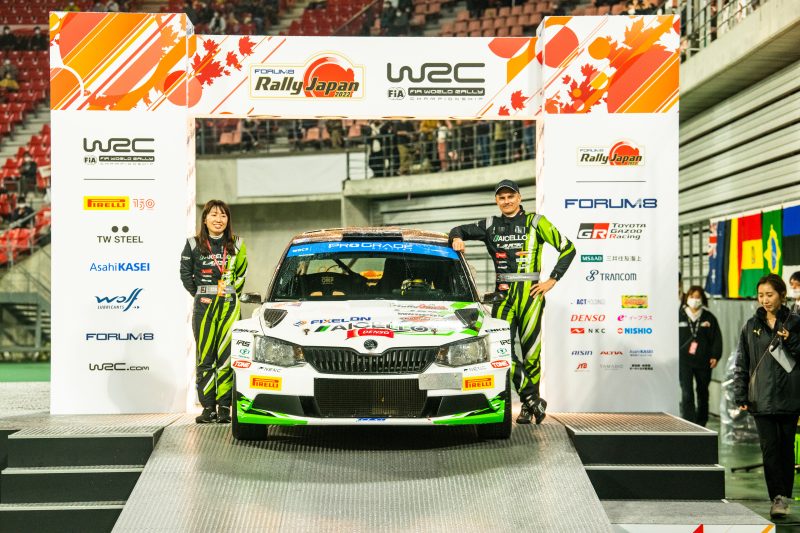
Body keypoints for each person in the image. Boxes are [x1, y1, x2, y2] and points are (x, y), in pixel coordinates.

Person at [449, 179, 575, 424]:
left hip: (531, 296)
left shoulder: (536, 222)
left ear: (519, 198)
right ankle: (532, 398)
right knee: (501, 350)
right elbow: (458, 229)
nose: (506, 201)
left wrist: (552, 280)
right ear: (497, 201)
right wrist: (456, 239)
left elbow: (568, 248)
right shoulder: (490, 225)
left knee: (531, 354)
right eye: (501, 198)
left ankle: (528, 407)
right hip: (503, 296)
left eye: (510, 196)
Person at [733, 274, 800, 519]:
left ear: (782, 295)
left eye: (769, 294)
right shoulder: (751, 325)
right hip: (761, 398)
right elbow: (742, 362)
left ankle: (785, 495)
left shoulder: (795, 323)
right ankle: (778, 498)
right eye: (761, 295)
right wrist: (740, 393)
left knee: (786, 450)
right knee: (770, 450)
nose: (765, 300)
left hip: (790, 397)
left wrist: (791, 339)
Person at [180, 200, 248, 424]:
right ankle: (208, 408)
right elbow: (185, 275)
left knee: (227, 358)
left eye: (223, 216)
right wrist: (201, 294)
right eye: (214, 215)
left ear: (228, 220)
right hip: (204, 306)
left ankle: (225, 407)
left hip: (229, 306)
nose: (219, 220)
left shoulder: (238, 243)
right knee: (205, 357)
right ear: (205, 218)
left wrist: (230, 294)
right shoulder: (193, 243)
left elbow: (241, 274)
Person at [678, 285, 722, 427]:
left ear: (702, 299)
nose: (695, 300)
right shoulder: (679, 315)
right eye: (692, 296)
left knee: (703, 392)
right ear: (687, 298)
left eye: (698, 297)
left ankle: (701, 422)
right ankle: (688, 422)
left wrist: (715, 355)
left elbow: (716, 338)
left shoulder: (709, 317)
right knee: (687, 393)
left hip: (703, 360)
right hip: (683, 360)